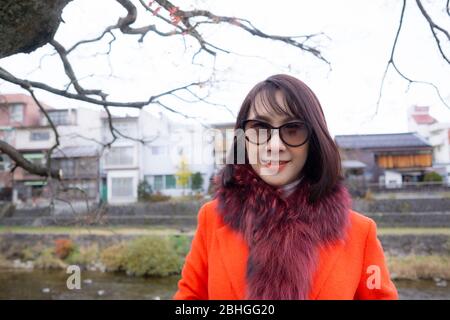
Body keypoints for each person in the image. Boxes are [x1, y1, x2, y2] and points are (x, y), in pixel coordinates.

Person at [173, 74, 398, 300]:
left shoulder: (360, 232)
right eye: (260, 127)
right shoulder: (212, 219)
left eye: (293, 129)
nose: (275, 145)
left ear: (314, 140)